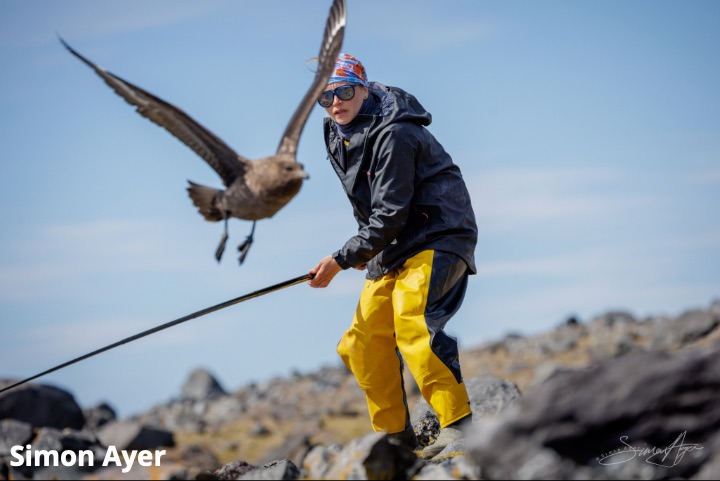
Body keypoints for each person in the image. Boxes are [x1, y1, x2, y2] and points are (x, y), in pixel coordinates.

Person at [308, 53, 478, 458]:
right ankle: (396, 440)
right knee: (361, 343)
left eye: (344, 91)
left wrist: (342, 258)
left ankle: (458, 428)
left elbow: (389, 214)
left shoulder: (396, 133)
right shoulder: (335, 132)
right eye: (325, 97)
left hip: (437, 233)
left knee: (412, 323)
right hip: (391, 242)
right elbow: (368, 205)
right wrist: (367, 250)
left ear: (363, 86)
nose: (335, 103)